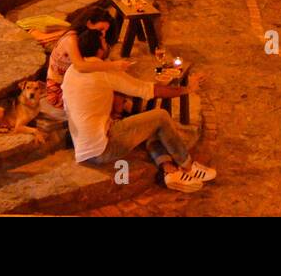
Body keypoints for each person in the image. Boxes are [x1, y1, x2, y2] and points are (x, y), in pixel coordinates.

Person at [62, 30, 215, 193]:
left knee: (148, 125)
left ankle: (169, 170)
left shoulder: (72, 71)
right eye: (104, 42)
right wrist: (188, 89)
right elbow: (147, 90)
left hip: (83, 148)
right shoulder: (105, 71)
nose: (107, 44)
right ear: (99, 50)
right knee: (161, 116)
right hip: (102, 149)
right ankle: (188, 166)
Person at [44, 6, 131, 112]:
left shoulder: (88, 38)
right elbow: (80, 66)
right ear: (89, 23)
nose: (103, 33)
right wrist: (114, 65)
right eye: (101, 29)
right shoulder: (71, 39)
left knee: (116, 87)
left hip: (76, 83)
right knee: (111, 95)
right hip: (59, 90)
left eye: (105, 31)